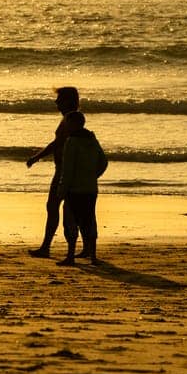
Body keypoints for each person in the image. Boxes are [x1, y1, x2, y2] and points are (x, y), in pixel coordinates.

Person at [23, 86, 81, 257]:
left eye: (59, 99)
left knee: (54, 206)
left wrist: (36, 157)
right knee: (71, 209)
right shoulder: (71, 120)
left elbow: (56, 144)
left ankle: (46, 247)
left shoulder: (68, 121)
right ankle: (80, 248)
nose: (56, 102)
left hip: (64, 171)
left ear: (68, 101)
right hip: (65, 170)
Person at [56, 111, 107, 266]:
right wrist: (92, 176)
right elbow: (103, 162)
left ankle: (70, 256)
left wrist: (61, 190)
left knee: (71, 221)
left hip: (74, 189)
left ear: (73, 124)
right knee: (89, 220)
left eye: (67, 123)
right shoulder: (92, 139)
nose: (65, 125)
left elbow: (67, 169)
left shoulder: (71, 142)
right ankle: (93, 256)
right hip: (90, 188)